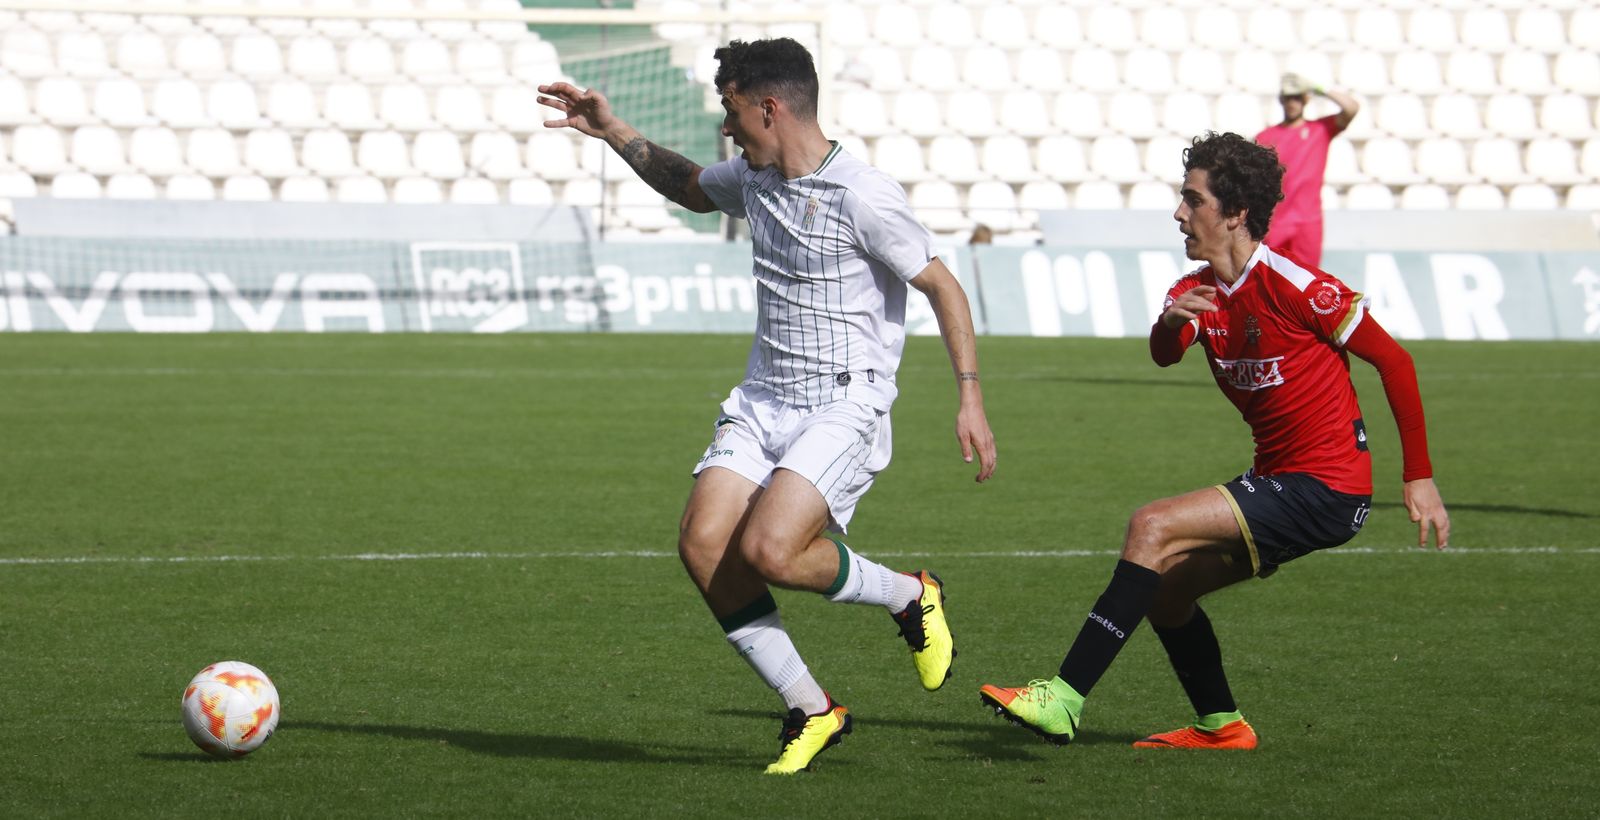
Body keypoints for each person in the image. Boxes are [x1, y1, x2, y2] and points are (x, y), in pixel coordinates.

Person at [539, 38, 997, 775]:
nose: (726, 127)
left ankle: (911, 595)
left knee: (771, 552)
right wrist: (612, 129)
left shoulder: (862, 193)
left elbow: (943, 286)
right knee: (702, 544)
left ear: (769, 107)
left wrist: (969, 399)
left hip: (844, 402)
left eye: (731, 110)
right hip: (763, 398)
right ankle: (811, 708)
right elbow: (690, 186)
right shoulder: (753, 177)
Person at [978, 132, 1448, 750]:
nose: (1179, 213)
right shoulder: (1194, 291)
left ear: (1234, 213)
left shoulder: (1298, 286)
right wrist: (1171, 325)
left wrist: (1418, 476)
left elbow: (1397, 364)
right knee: (1166, 592)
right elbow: (1164, 354)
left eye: (1192, 200)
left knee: (1151, 525)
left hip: (1325, 486)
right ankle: (1223, 726)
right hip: (1285, 483)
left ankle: (1062, 698)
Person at [1253, 73, 1360, 269]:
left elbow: (1351, 107)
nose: (1292, 103)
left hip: (1307, 223)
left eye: (1297, 97)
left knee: (1306, 286)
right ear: (1281, 100)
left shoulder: (1320, 129)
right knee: (1269, 283)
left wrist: (1320, 88)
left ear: (1305, 100)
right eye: (1288, 98)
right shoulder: (1266, 137)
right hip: (1274, 222)